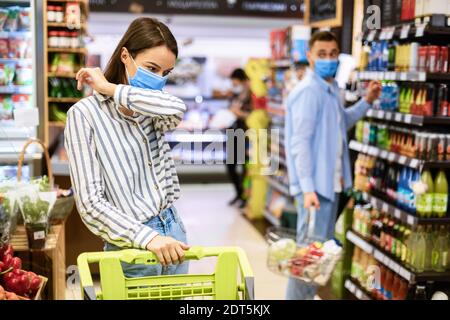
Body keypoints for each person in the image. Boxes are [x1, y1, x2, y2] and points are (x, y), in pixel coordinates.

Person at [65, 17, 190, 278]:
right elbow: (90, 204)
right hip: (132, 244)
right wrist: (148, 238)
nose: (158, 80)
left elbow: (178, 109)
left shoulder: (152, 107)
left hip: (174, 231)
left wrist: (110, 88)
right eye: (151, 68)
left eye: (165, 74)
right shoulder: (85, 115)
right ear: (125, 55)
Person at [284, 31, 381, 300]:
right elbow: (299, 144)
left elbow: (341, 124)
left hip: (331, 186)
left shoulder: (332, 90)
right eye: (322, 54)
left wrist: (368, 101)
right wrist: (307, 190)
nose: (329, 59)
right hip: (315, 191)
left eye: (333, 54)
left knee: (318, 258)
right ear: (310, 57)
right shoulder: (308, 92)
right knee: (307, 260)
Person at [226, 68, 253, 209]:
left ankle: (244, 196)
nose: (233, 83)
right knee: (230, 164)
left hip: (244, 132)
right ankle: (238, 193)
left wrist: (239, 112)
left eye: (234, 80)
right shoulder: (237, 93)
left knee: (243, 166)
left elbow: (252, 115)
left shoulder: (251, 93)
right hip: (234, 130)